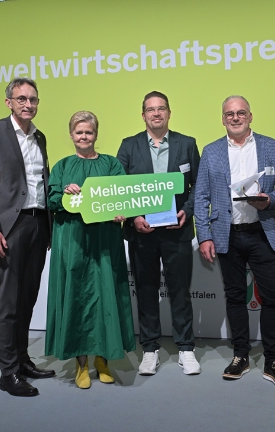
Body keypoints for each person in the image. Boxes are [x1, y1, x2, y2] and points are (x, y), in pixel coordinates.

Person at [194, 95, 275, 386]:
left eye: (240, 113)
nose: (235, 118)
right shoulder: (211, 151)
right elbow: (201, 196)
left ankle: (273, 359)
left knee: (273, 297)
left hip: (262, 231)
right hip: (227, 234)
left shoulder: (270, 146)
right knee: (235, 297)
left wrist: (270, 199)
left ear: (250, 116)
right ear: (223, 119)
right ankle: (240, 355)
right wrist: (204, 235)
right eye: (229, 114)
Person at [0, 78, 55, 397]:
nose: (28, 104)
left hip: (38, 223)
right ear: (9, 102)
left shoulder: (39, 136)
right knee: (9, 300)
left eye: (33, 99)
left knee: (28, 297)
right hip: (9, 226)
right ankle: (8, 373)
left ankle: (22, 360)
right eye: (21, 99)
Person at [45, 111, 136, 389]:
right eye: (79, 132)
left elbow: (123, 196)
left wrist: (122, 212)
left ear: (96, 134)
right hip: (73, 242)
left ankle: (103, 361)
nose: (84, 136)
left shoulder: (111, 164)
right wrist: (65, 194)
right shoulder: (62, 166)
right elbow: (52, 200)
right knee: (77, 296)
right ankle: (81, 364)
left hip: (105, 240)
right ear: (71, 135)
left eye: (89, 132)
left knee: (106, 295)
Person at [116, 91, 201, 376]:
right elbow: (119, 188)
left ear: (169, 113)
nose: (156, 113)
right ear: (143, 115)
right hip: (142, 233)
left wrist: (186, 211)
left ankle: (186, 348)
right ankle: (150, 348)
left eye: (161, 108)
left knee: (180, 291)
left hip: (177, 231)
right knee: (146, 291)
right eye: (151, 109)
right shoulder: (128, 146)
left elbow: (198, 186)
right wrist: (134, 216)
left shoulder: (186, 144)